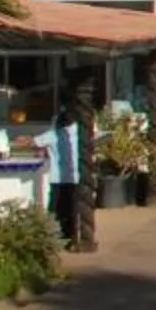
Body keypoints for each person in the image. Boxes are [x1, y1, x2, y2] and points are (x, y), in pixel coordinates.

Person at [47, 85, 94, 252]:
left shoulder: (55, 133)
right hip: (72, 177)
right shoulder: (77, 131)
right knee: (72, 211)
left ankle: (55, 239)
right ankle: (71, 238)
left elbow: (36, 141)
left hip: (59, 178)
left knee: (57, 210)